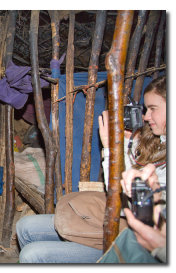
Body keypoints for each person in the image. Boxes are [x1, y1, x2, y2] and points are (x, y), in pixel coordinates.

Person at [16, 76, 166, 263]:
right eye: (146, 109)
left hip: (130, 241)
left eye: (153, 109)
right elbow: (126, 186)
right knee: (25, 226)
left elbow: (130, 195)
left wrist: (111, 150)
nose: (145, 116)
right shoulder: (155, 144)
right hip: (120, 224)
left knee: (32, 255)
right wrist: (126, 142)